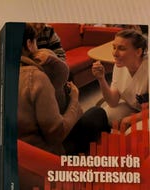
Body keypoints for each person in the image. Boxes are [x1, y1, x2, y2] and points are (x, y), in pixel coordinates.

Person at [18, 23, 109, 155]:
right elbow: (56, 133)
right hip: (46, 152)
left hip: (22, 150)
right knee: (97, 113)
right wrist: (75, 101)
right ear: (29, 44)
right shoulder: (35, 78)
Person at [92, 29, 148, 131]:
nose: (115, 53)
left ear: (138, 52)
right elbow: (113, 102)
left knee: (133, 132)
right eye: (114, 47)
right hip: (133, 107)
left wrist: (132, 119)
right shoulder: (120, 66)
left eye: (121, 48)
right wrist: (101, 79)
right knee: (105, 116)